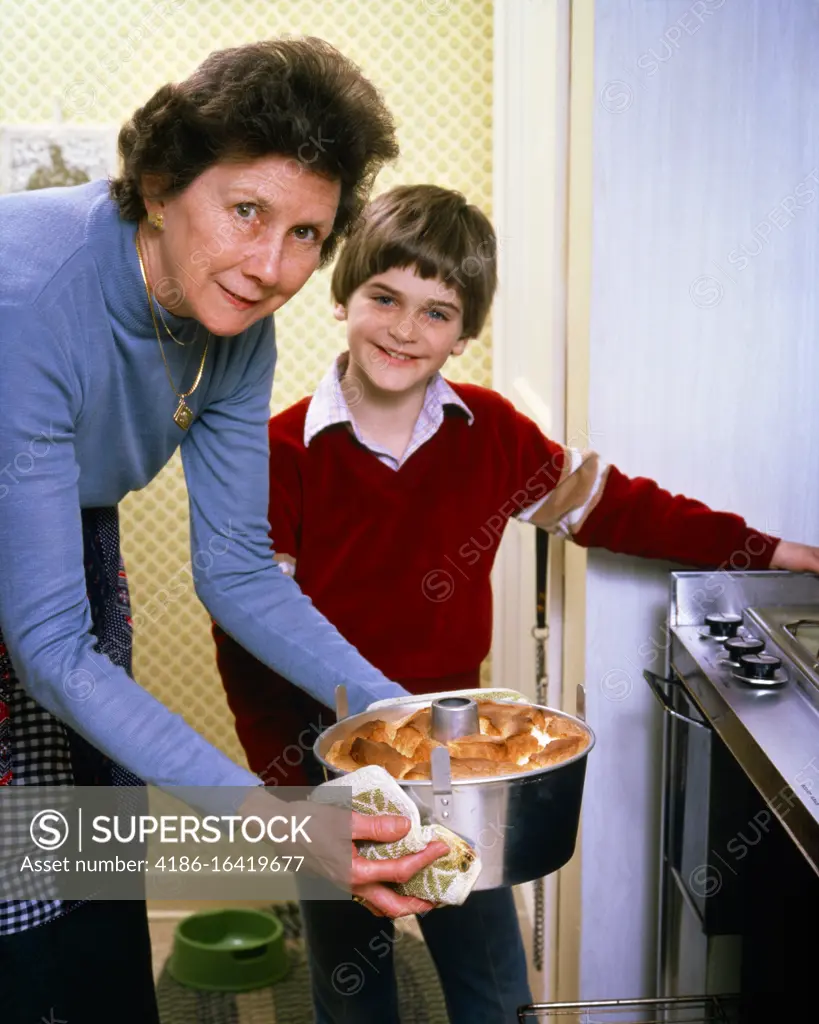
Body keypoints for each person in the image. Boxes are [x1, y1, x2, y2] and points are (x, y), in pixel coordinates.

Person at [212, 183, 819, 1024]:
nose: (402, 328)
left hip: (462, 768)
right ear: (343, 293)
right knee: (351, 989)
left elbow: (620, 508)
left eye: (435, 312)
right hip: (327, 767)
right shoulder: (277, 452)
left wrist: (778, 554)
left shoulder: (493, 432)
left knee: (493, 985)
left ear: (465, 333)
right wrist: (288, 789)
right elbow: (246, 636)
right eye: (384, 297)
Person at [0, 41, 452, 1024]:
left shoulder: (238, 321)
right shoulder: (28, 300)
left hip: (66, 550)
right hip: (34, 600)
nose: (272, 268)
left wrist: (406, 718)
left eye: (306, 234)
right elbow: (46, 650)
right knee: (19, 926)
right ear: (161, 186)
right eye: (246, 212)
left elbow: (241, 571)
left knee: (93, 874)